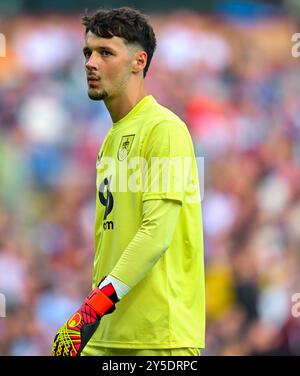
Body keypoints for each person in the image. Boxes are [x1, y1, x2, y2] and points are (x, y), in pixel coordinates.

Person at [52, 6, 205, 357]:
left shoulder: (164, 129)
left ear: (139, 61)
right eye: (88, 52)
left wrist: (90, 310)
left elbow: (155, 234)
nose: (91, 62)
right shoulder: (110, 139)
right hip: (106, 334)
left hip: (156, 340)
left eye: (106, 52)